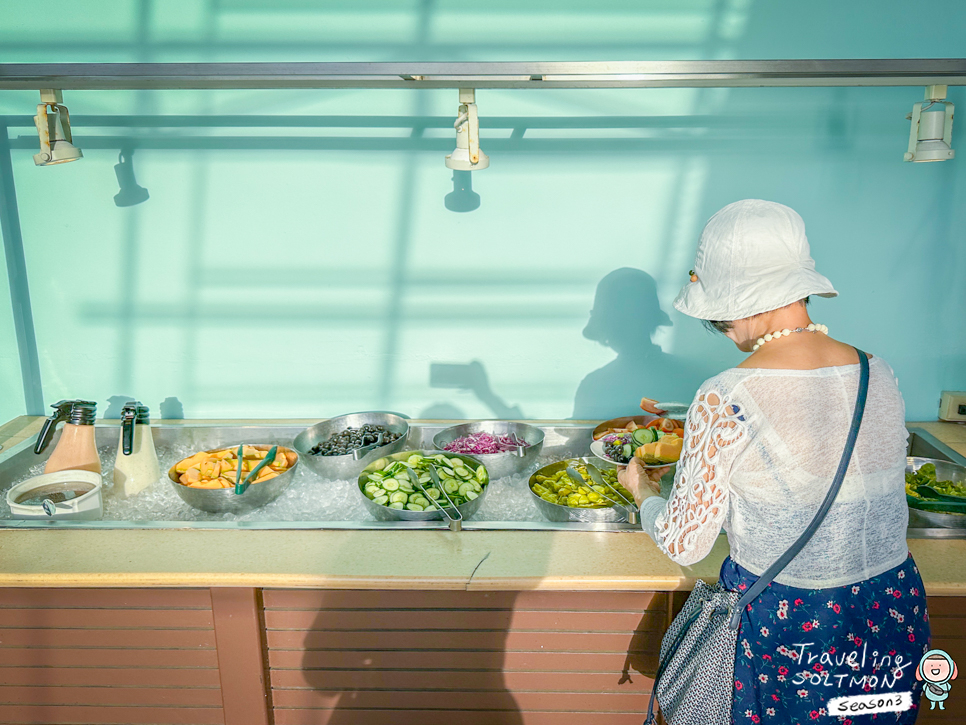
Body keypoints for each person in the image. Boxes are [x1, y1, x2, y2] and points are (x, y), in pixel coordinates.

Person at [618, 200, 931, 722]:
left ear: (741, 301)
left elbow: (685, 542)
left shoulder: (727, 394)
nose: (722, 328)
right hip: (890, 610)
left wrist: (644, 491)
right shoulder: (880, 371)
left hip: (791, 625)